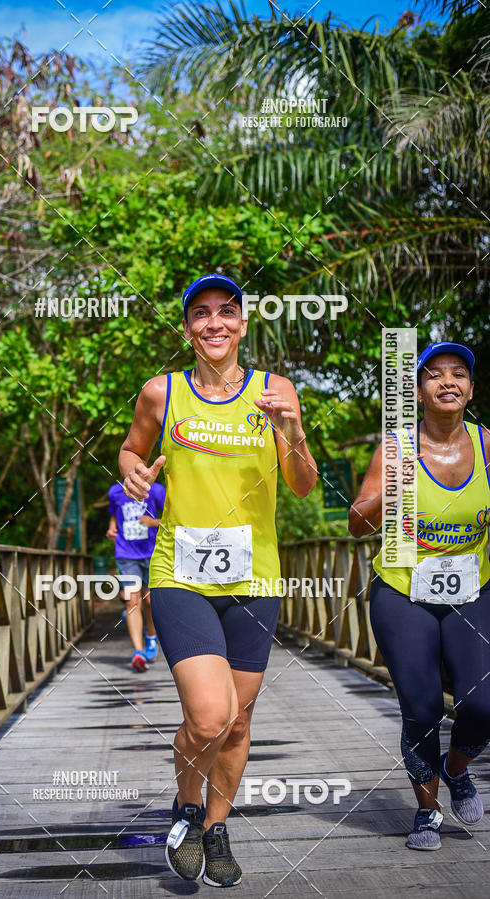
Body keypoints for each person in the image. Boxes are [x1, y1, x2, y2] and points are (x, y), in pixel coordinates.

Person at [118, 273, 317, 886]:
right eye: (201, 314)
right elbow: (131, 450)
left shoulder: (276, 390)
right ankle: (185, 806)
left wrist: (291, 429)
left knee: (238, 722)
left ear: (243, 324)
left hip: (255, 578)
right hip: (180, 572)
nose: (214, 324)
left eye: (226, 313)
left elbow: (304, 482)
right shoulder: (162, 392)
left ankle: (216, 827)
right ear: (186, 328)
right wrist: (134, 475)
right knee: (209, 717)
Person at [349, 341, 490, 851]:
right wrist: (391, 492)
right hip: (403, 590)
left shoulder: (488, 444)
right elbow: (356, 525)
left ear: (471, 389)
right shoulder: (395, 448)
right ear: (419, 391)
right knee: (423, 706)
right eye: (435, 375)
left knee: (484, 705)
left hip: (471, 590)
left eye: (458, 374)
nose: (447, 382)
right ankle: (427, 812)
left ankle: (457, 769)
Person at [107, 480, 165, 671]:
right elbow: (114, 516)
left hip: (152, 552)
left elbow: (172, 521)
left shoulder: (156, 490)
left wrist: (153, 522)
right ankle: (138, 652)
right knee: (133, 601)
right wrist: (111, 529)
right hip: (126, 554)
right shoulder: (115, 491)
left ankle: (150, 635)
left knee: (149, 601)